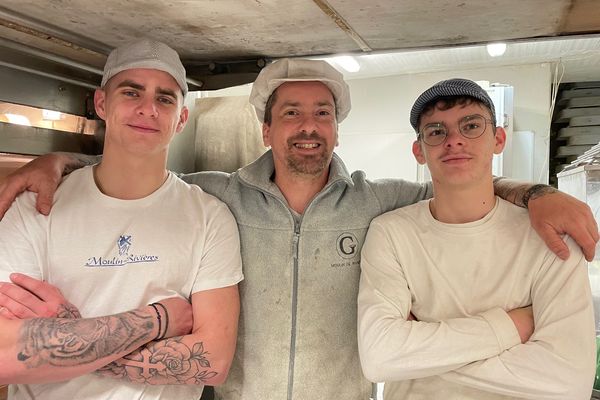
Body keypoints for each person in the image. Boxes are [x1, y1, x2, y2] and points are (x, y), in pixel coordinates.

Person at [0, 59, 597, 400]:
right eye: (290, 112)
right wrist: (59, 163)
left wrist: (537, 192)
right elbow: (136, 173)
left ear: (338, 130)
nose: (307, 127)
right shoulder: (215, 195)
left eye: (323, 114)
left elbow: (460, 184)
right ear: (266, 130)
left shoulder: (383, 202)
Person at [0, 39, 243, 399]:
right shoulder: (35, 207)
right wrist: (159, 319)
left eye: (165, 98)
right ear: (101, 103)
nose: (148, 109)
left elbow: (212, 362)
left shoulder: (209, 217)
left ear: (182, 119)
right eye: (131, 92)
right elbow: (5, 356)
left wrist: (66, 337)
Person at [357, 78, 596, 399]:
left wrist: (419, 352)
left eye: (471, 126)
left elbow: (568, 380)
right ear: (419, 150)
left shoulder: (548, 236)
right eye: (437, 131)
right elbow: (379, 357)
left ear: (498, 139)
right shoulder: (391, 233)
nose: (454, 140)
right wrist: (510, 328)